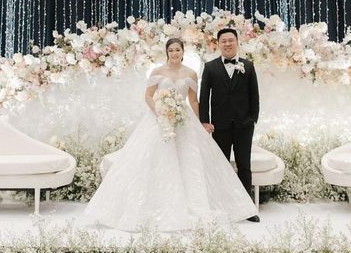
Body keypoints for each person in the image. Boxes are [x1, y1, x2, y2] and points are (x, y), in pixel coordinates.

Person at [83, 38, 257, 232]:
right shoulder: (157, 72)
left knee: (189, 163)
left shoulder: (191, 73)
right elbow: (148, 95)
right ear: (167, 52)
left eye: (177, 50)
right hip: (159, 119)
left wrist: (201, 122)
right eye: (171, 50)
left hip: (183, 121)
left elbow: (193, 101)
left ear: (183, 52)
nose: (174, 53)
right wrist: (159, 111)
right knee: (153, 161)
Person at [199, 28, 260, 222]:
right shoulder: (210, 67)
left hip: (244, 126)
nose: (227, 44)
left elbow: (254, 95)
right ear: (218, 44)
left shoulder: (248, 66)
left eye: (230, 40)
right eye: (223, 41)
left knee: (244, 167)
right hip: (220, 127)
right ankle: (221, 207)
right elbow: (204, 96)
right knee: (221, 167)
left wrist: (252, 119)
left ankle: (248, 209)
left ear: (237, 42)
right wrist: (205, 121)